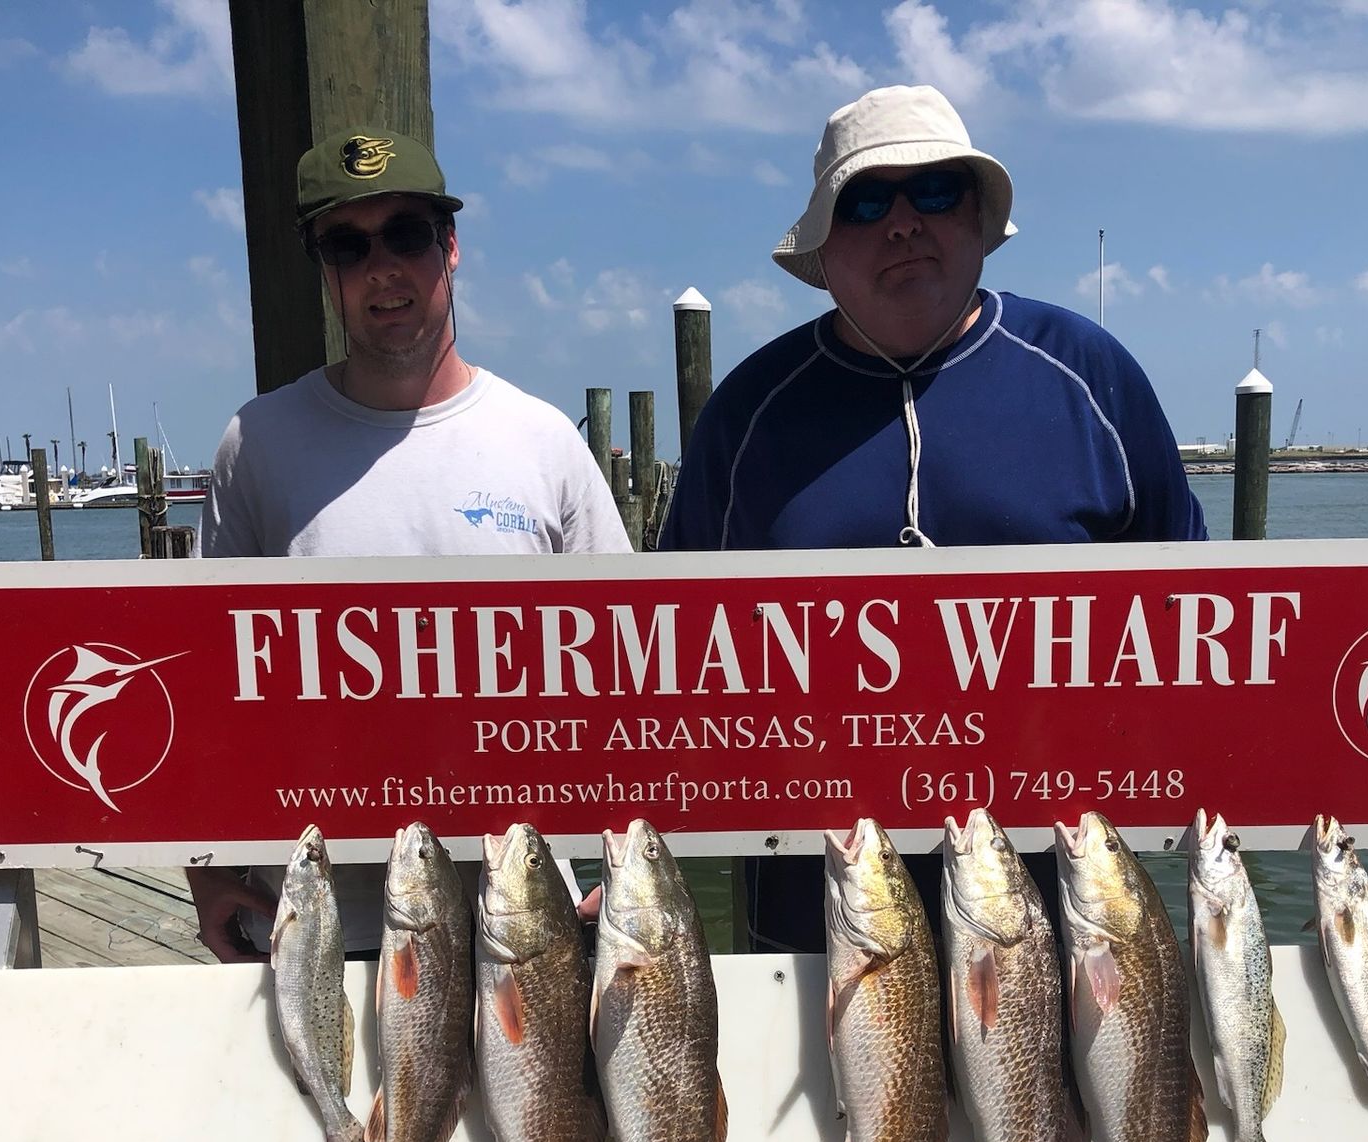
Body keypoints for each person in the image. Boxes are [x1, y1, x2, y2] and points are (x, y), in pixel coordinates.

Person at [658, 84, 1208, 952]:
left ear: (981, 218)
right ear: (824, 249)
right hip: (822, 936)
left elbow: (1199, 630)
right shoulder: (748, 412)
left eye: (938, 190)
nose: (905, 222)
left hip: (1071, 933)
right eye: (868, 201)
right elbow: (664, 663)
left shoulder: (1090, 376)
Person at [186, 128, 629, 963]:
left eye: (407, 235)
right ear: (325, 271)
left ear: (450, 248)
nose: (381, 266)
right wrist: (203, 868)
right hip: (327, 919)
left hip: (524, 915)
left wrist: (622, 857)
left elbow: (630, 674)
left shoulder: (542, 440)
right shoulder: (257, 443)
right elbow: (210, 682)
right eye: (347, 245)